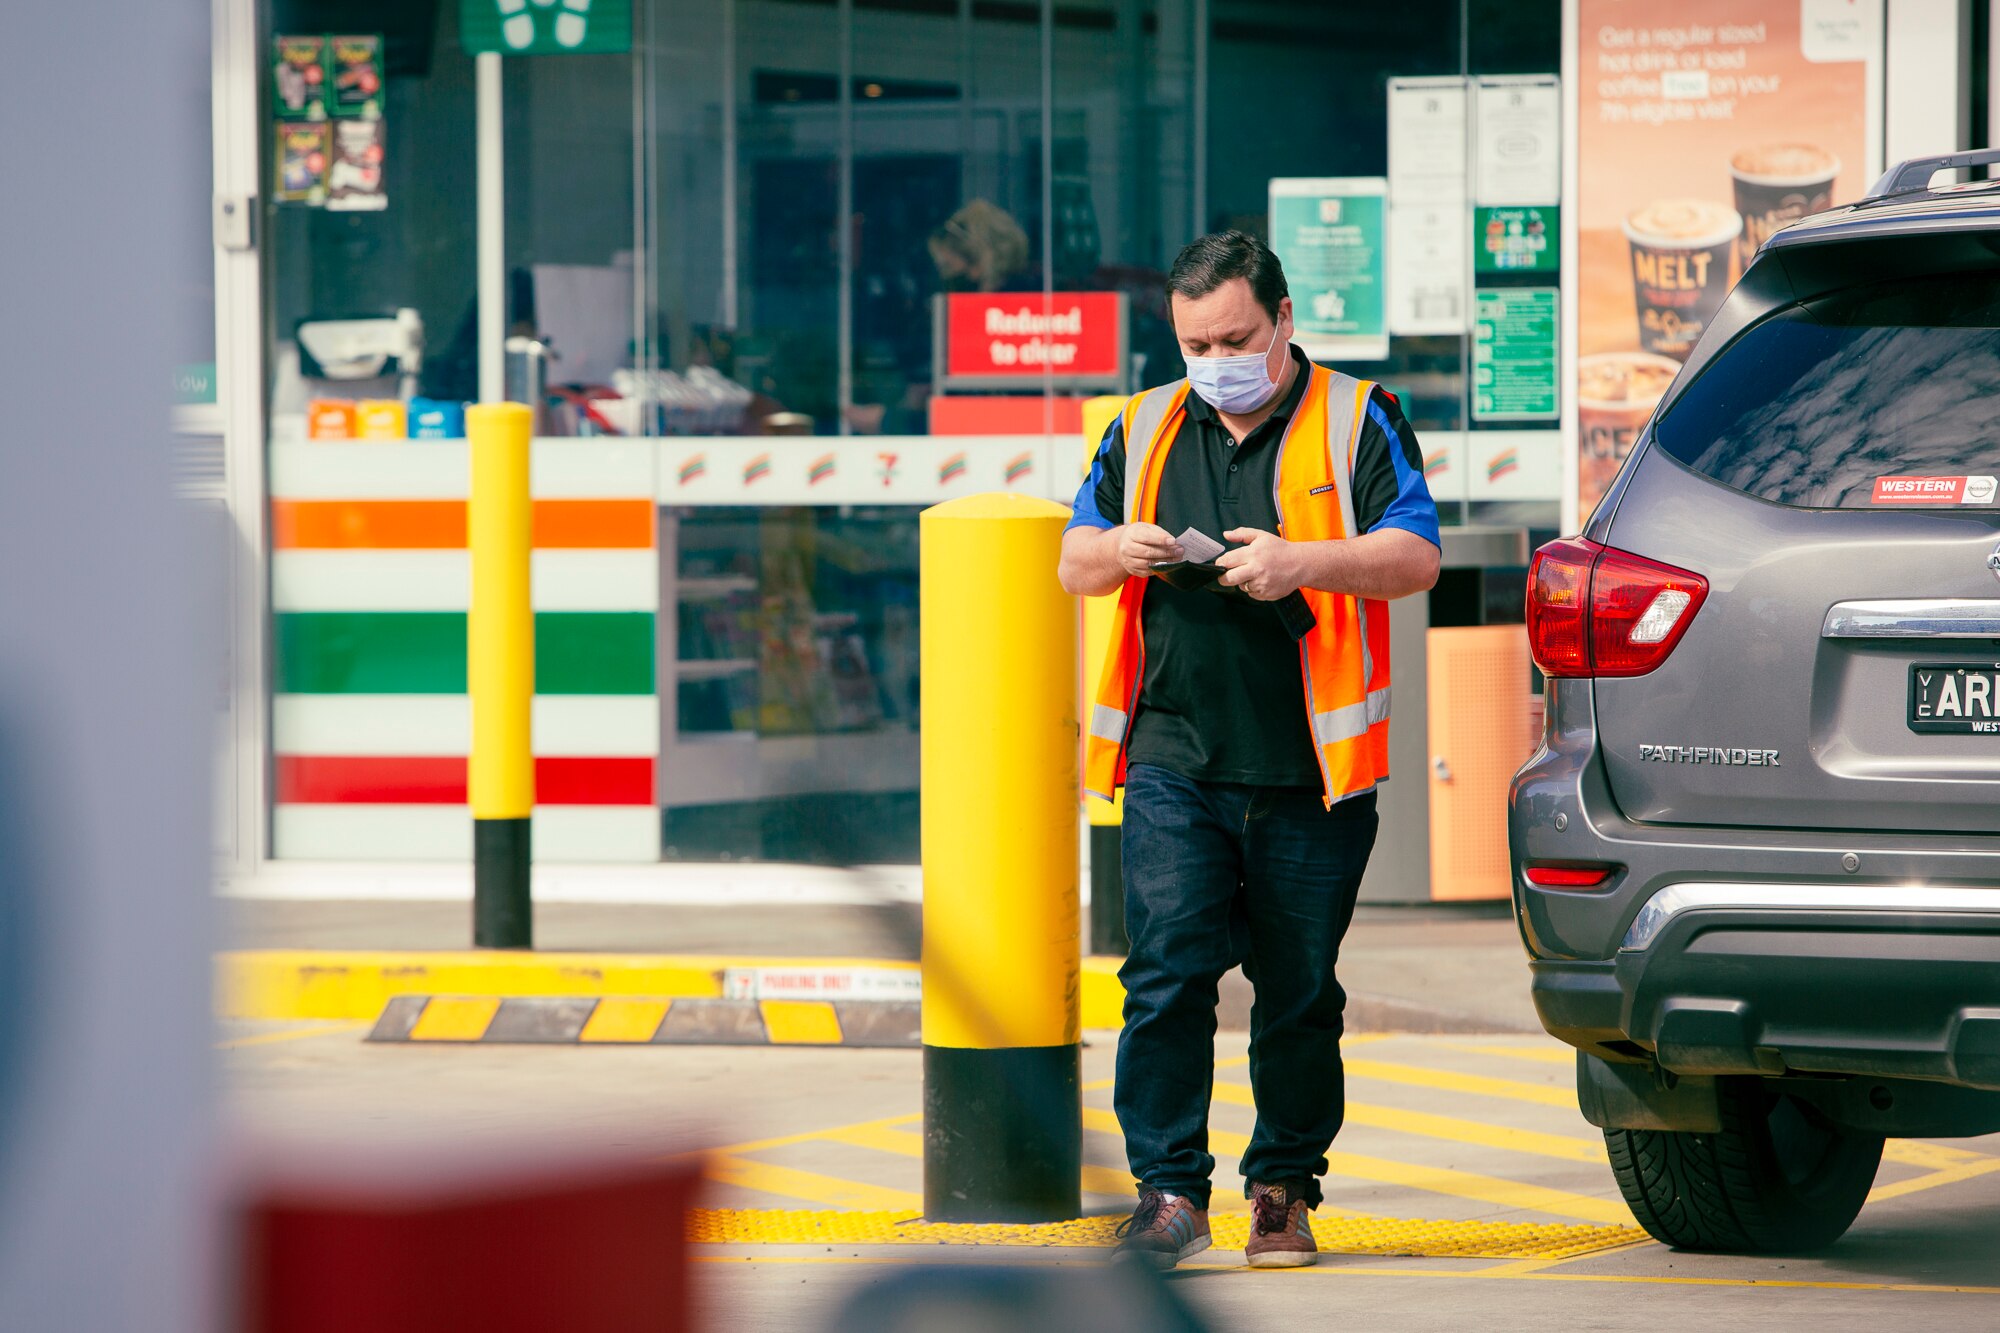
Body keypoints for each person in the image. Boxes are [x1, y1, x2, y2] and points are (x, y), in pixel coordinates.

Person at [1058, 231, 1441, 1271]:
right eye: (1193, 342)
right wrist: (1111, 549)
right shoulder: (1138, 426)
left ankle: (1281, 1187)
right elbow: (1071, 562)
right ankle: (1168, 1190)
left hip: (1310, 767)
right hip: (1175, 752)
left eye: (1234, 336)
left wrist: (1300, 562)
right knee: (1165, 977)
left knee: (1297, 988)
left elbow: (1413, 554)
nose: (1215, 357)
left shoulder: (1358, 417)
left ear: (1281, 320)